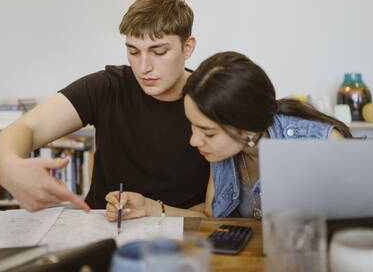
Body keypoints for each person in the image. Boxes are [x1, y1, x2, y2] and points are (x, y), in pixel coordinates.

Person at [0, 0, 210, 212]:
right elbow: (25, 128)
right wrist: (11, 167)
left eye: (159, 52)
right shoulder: (107, 87)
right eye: (133, 52)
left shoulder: (212, 100)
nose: (144, 67)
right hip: (103, 229)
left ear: (188, 47)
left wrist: (156, 211)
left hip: (181, 236)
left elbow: (214, 213)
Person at [105, 51, 353, 220]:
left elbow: (359, 231)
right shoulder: (228, 151)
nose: (194, 141)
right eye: (192, 125)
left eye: (208, 132)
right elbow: (210, 218)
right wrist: (149, 207)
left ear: (246, 128)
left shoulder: (322, 145)